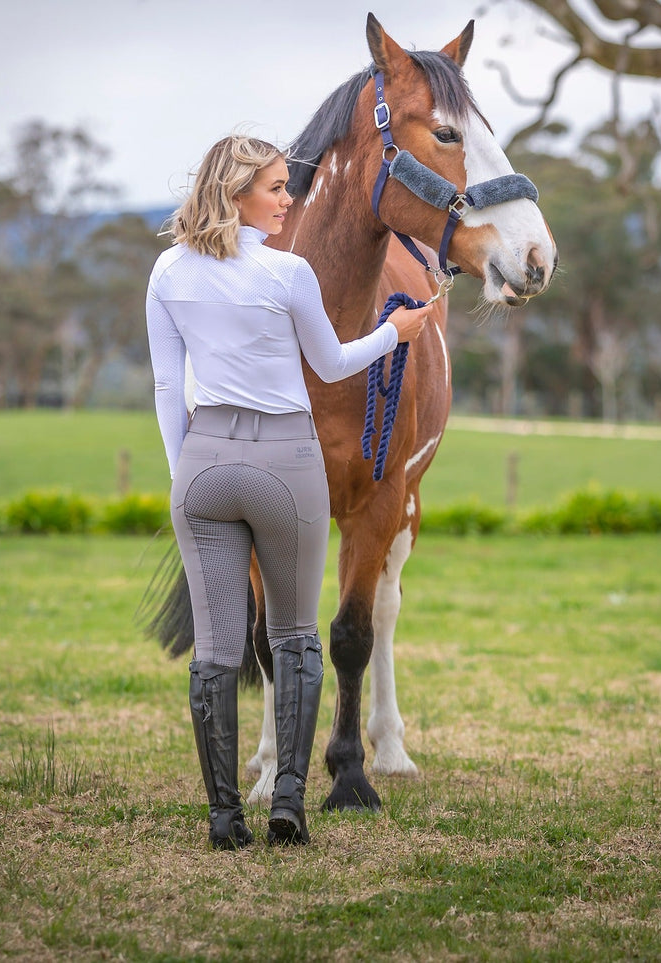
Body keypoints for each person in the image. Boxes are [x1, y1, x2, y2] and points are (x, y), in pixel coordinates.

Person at [146, 135, 429, 849]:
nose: (286, 200)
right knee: (297, 638)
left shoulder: (166, 270)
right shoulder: (288, 272)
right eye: (274, 188)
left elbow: (164, 385)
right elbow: (332, 364)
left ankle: (221, 815)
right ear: (236, 192)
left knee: (215, 651)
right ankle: (288, 806)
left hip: (202, 461)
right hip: (284, 458)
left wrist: (185, 468)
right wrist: (393, 334)